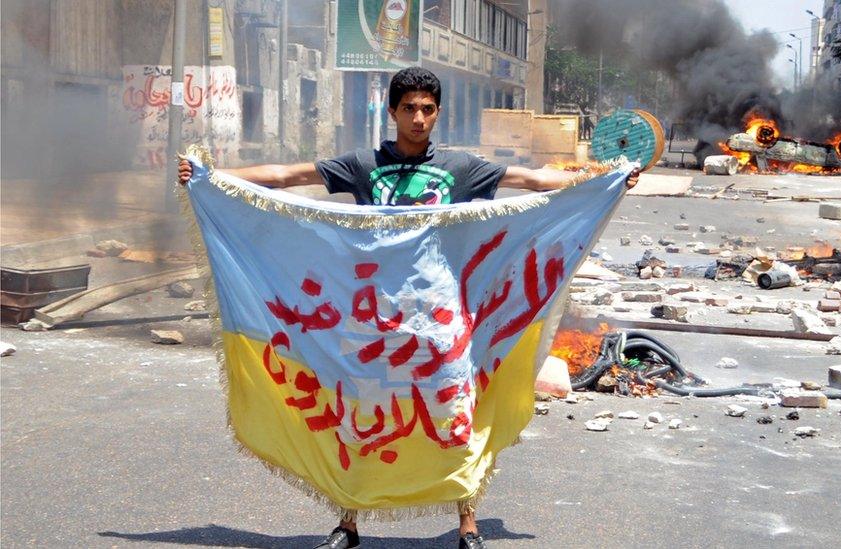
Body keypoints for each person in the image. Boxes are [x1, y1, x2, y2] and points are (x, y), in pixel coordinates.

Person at [179, 67, 637, 549]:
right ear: (392, 111)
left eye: (428, 109)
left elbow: (534, 180)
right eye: (409, 109)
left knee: (454, 409)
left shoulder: (463, 168)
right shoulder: (363, 165)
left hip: (441, 317)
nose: (419, 118)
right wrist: (211, 177)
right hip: (368, 315)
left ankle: (468, 524)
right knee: (358, 410)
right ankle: (348, 522)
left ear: (437, 113)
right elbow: (287, 175)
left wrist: (608, 178)